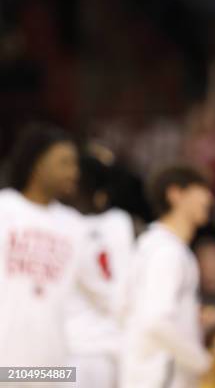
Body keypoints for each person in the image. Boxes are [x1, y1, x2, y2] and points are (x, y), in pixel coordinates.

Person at [0, 123, 103, 386]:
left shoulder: (75, 225)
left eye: (75, 164)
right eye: (64, 163)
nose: (74, 173)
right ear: (37, 164)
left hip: (54, 366)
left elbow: (102, 294)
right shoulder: (5, 210)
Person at [120, 166, 213, 388]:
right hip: (160, 376)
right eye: (201, 189)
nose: (209, 198)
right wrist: (203, 362)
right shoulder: (167, 251)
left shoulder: (154, 244)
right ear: (176, 194)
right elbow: (156, 322)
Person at [65, 155, 136, 388]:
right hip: (108, 347)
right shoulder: (120, 222)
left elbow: (115, 291)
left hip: (81, 348)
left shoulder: (66, 224)